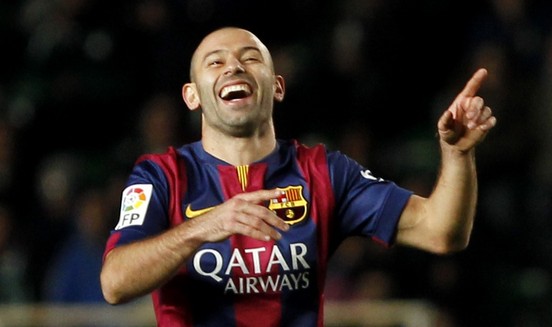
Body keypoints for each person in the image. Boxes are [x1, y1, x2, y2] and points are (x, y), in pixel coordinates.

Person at [100, 26, 496, 326]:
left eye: (250, 57)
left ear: (277, 87)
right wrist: (202, 228)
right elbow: (115, 283)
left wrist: (458, 155)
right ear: (192, 96)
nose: (234, 66)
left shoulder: (324, 172)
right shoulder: (161, 175)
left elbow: (443, 232)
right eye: (215, 61)